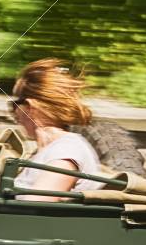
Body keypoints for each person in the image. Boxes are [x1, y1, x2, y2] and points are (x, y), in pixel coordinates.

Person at [8, 59, 103, 200]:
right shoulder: (49, 150)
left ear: (30, 107)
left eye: (15, 105)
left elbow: (36, 208)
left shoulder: (66, 151)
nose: (13, 113)